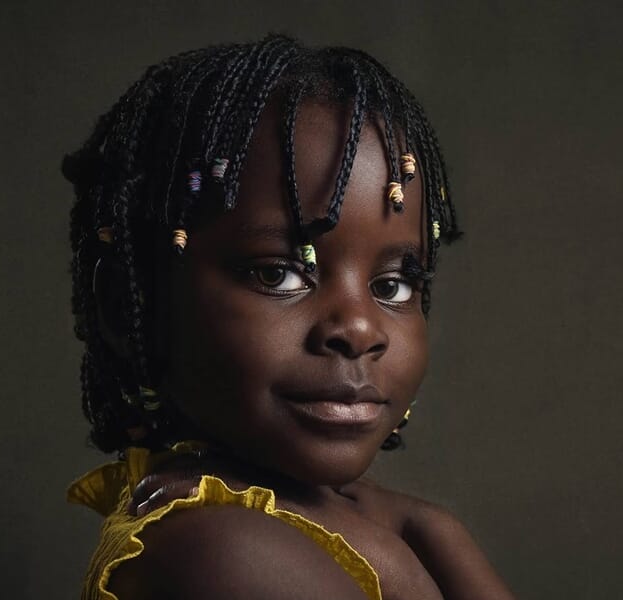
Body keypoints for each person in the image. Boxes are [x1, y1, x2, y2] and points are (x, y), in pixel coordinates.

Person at [64, 34, 515, 600]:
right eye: (278, 274)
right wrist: (397, 565)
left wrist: (431, 528)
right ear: (125, 309)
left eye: (393, 284)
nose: (358, 329)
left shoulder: (329, 521)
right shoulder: (221, 551)